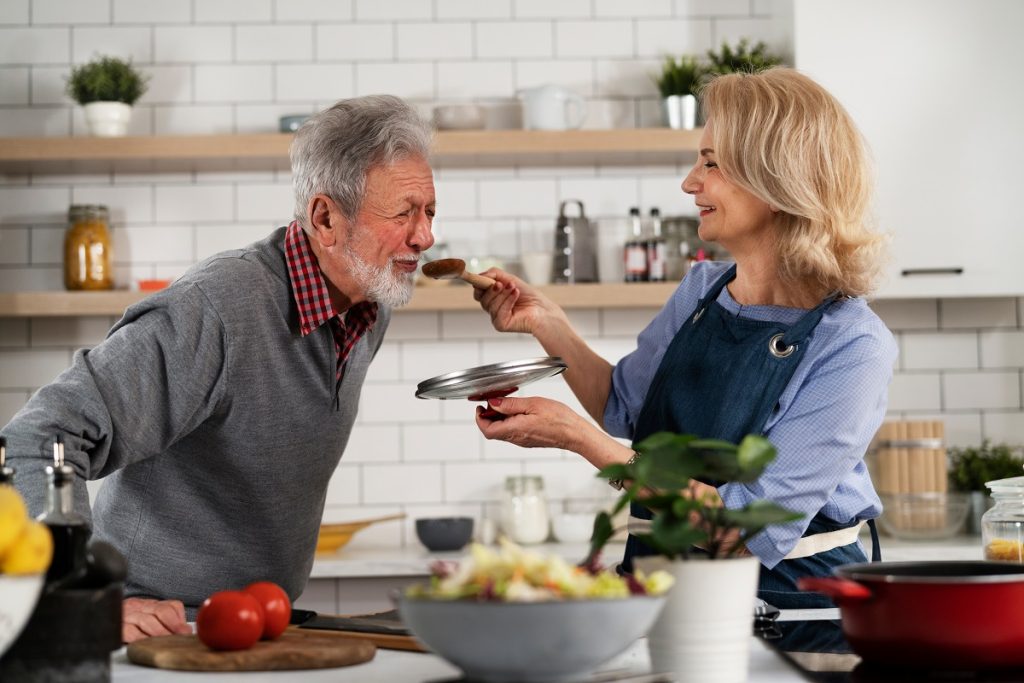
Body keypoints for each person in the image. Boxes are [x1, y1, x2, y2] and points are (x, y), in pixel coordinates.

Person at [0, 95, 436, 641]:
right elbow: (36, 438)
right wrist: (74, 593)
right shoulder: (216, 310)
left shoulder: (370, 304)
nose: (425, 236)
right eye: (403, 213)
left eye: (429, 212)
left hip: (259, 623)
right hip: (151, 629)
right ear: (325, 218)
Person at [471, 67, 896, 609]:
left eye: (711, 162)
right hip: (660, 591)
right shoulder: (702, 289)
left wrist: (582, 442)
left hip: (792, 610)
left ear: (776, 179)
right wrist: (545, 322)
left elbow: (741, 527)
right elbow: (622, 405)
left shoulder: (853, 343)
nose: (690, 181)